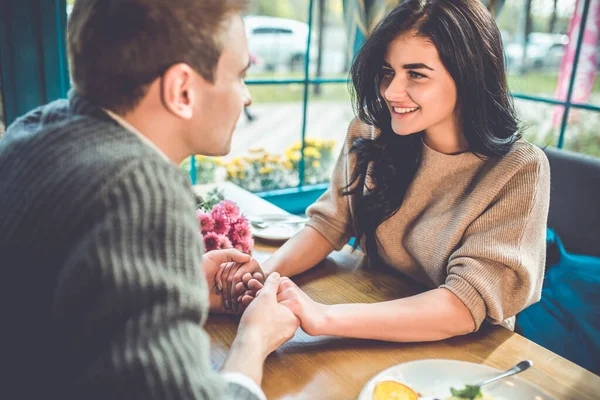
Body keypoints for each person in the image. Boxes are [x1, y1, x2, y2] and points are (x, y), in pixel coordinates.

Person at [0, 0, 299, 399]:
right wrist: (255, 338)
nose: (246, 98)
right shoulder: (140, 188)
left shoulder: (32, 131)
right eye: (240, 75)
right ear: (182, 90)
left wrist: (181, 280)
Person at [261, 0, 551, 342]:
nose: (391, 92)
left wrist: (322, 316)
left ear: (470, 73)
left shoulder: (520, 169)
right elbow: (330, 223)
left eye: (416, 74)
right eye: (388, 72)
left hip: (463, 348)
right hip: (370, 304)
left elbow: (463, 304)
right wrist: (264, 274)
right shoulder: (371, 132)